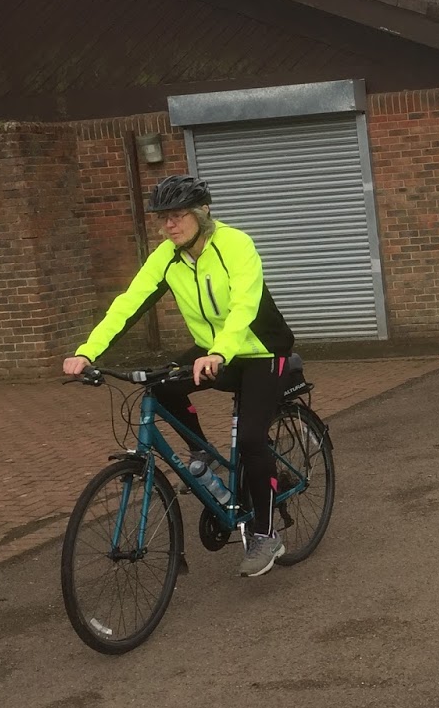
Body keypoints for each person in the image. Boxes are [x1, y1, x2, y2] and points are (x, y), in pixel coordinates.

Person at [62, 174, 296, 578]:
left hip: (259, 349)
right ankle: (202, 454)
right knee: (162, 385)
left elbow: (244, 304)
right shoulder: (167, 256)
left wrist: (221, 350)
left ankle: (265, 532)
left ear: (203, 212)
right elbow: (127, 305)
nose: (170, 225)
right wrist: (87, 351)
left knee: (254, 438)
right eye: (163, 218)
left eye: (179, 215)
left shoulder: (235, 244)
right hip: (213, 351)